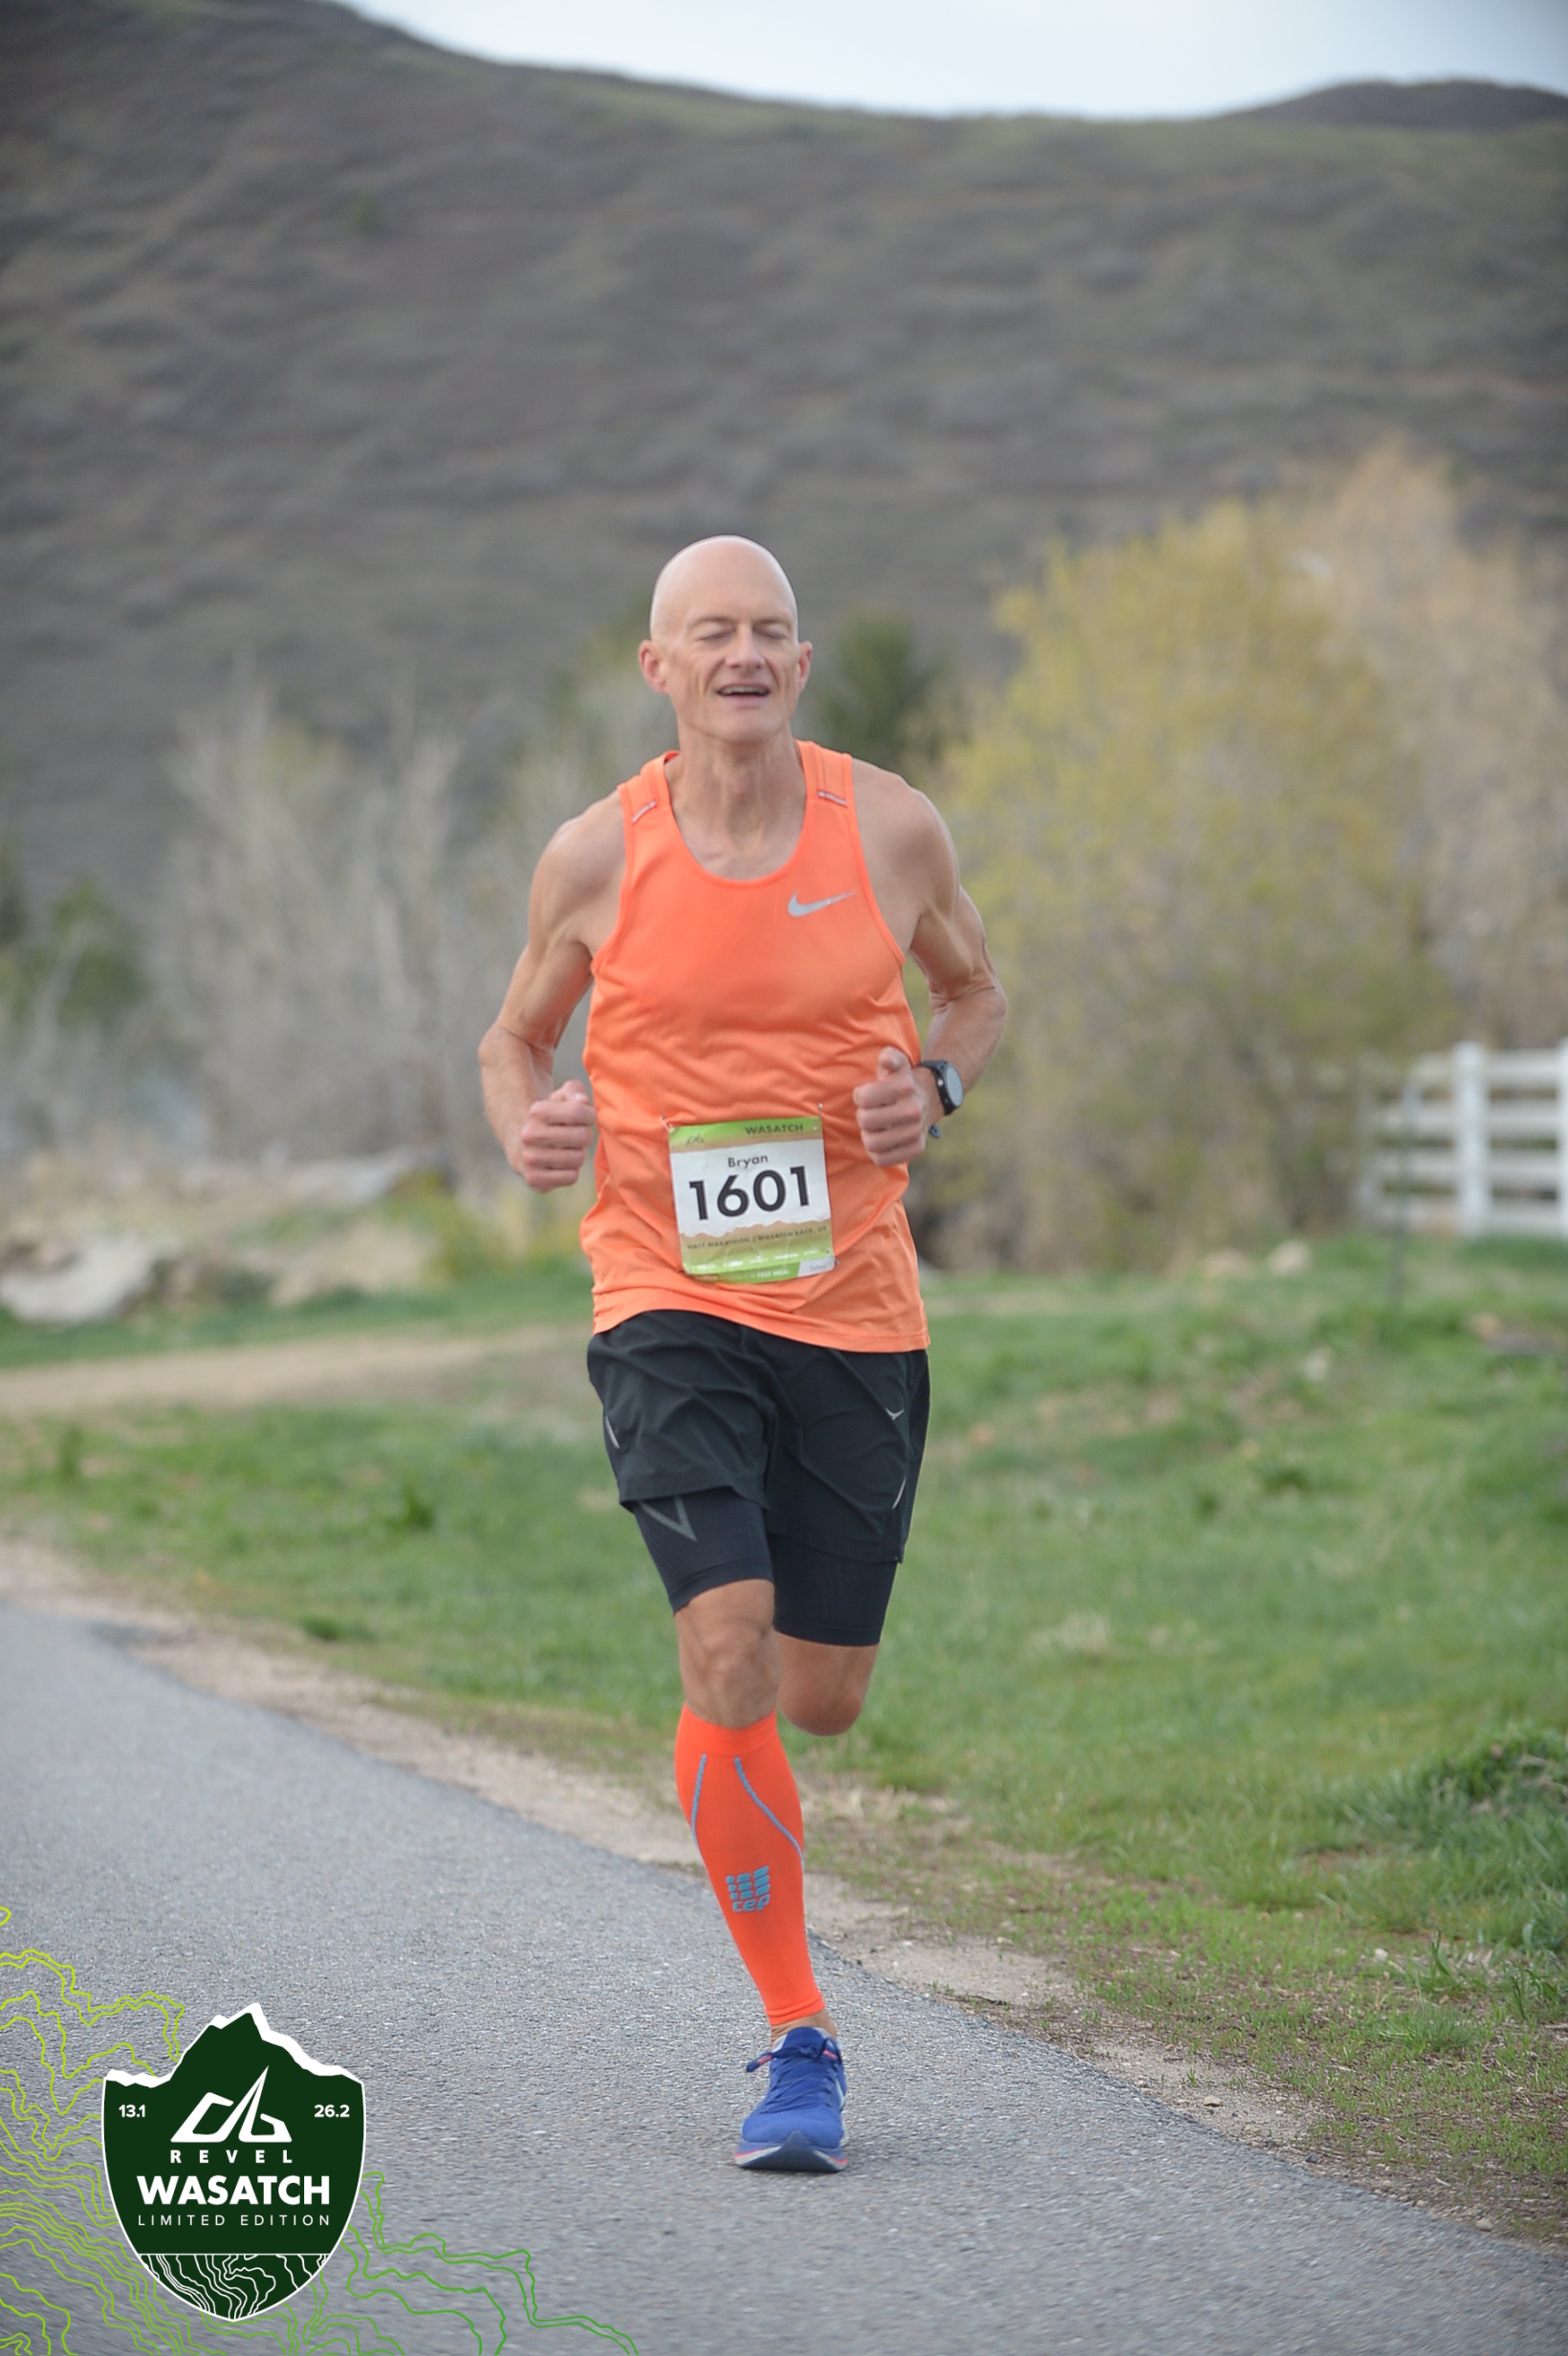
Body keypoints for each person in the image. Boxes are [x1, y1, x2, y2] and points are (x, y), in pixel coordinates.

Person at [479, 535, 1005, 2173]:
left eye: (771, 630)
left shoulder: (890, 827)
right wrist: (528, 1126)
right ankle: (800, 2037)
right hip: (664, 1293)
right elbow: (514, 1039)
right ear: (661, 668)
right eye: (712, 633)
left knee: (817, 1698)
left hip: (852, 1306)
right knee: (727, 1652)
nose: (745, 656)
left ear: (801, 661)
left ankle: (743, 1738)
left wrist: (934, 1088)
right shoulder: (597, 856)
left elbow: (975, 996)